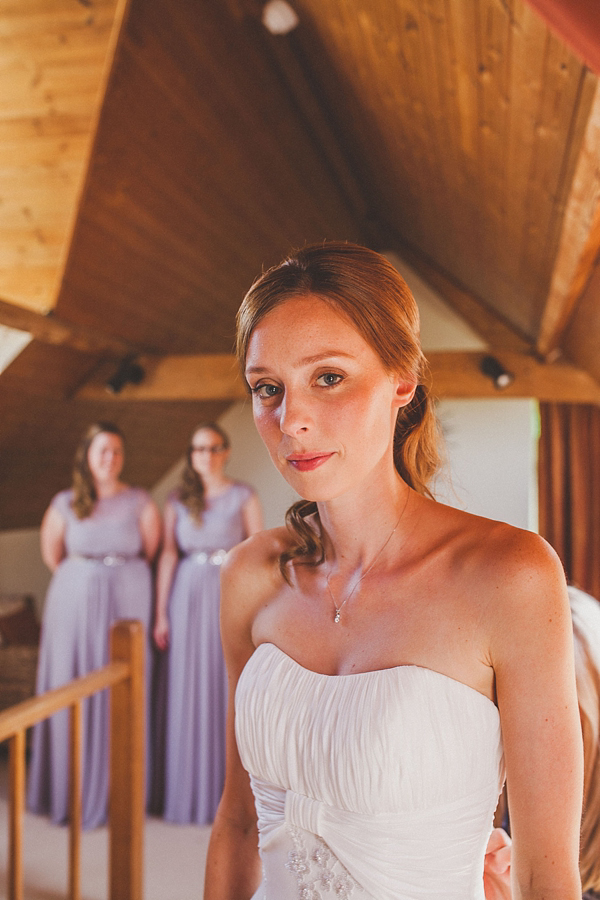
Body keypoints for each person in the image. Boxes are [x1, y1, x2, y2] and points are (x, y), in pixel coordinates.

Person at [204, 242, 583, 900]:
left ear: (401, 379)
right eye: (269, 388)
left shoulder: (512, 576)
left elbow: (548, 876)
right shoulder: (250, 575)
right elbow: (239, 823)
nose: (291, 420)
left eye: (328, 377)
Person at [28, 421, 161, 829]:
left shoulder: (140, 501)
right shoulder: (65, 502)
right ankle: (68, 790)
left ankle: (123, 790)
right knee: (72, 684)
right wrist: (86, 582)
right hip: (74, 603)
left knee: (126, 685)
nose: (110, 459)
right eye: (102, 451)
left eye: (117, 451)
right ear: (87, 455)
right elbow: (53, 555)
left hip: (130, 596)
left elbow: (151, 549)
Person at [153, 422, 263, 824]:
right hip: (186, 595)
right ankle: (184, 790)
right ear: (191, 455)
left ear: (225, 451)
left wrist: (255, 610)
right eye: (199, 449)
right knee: (185, 685)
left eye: (214, 447)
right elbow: (167, 553)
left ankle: (226, 793)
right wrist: (161, 611)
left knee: (224, 685)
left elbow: (257, 553)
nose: (206, 455)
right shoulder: (179, 499)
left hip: (227, 594)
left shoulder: (242, 496)